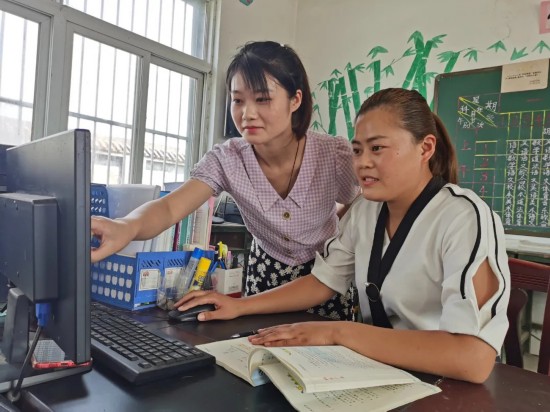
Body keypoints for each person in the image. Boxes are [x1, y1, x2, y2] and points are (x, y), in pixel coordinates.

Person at [174, 88, 511, 384]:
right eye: (357, 150)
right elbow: (323, 280)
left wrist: (338, 332)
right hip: (382, 370)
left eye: (377, 148)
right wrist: (240, 306)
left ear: (425, 148)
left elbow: (473, 357)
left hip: (446, 385)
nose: (362, 163)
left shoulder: (463, 217)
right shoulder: (365, 210)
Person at [91, 41, 360, 320]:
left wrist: (337, 231)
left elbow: (362, 200)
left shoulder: (333, 155)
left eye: (263, 99)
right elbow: (170, 207)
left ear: (295, 100)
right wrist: (127, 226)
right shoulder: (227, 159)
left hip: (326, 277)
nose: (247, 114)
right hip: (264, 278)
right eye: (238, 100)